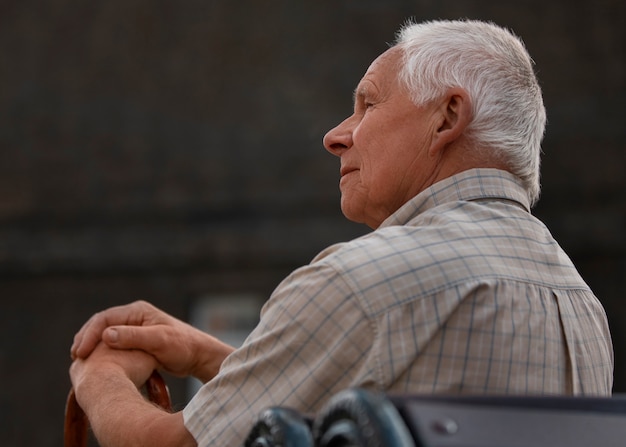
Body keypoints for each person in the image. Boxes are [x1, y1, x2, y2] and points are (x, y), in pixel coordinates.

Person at [69, 19, 614, 446]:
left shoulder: (360, 282)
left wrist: (100, 376)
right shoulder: (582, 306)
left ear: (448, 118)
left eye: (369, 103)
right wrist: (210, 356)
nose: (335, 136)